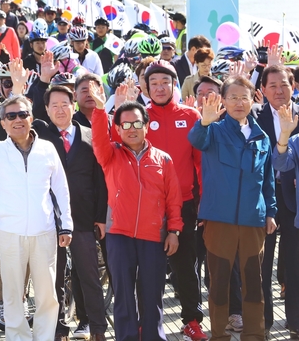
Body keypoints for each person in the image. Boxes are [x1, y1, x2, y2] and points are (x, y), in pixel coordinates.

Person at [0, 94, 73, 341]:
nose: (18, 120)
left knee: (47, 293)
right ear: (3, 123)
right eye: (11, 116)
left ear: (32, 117)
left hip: (45, 231)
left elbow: (61, 188)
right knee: (13, 293)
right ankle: (18, 338)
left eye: (23, 114)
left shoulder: (47, 148)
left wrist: (66, 226)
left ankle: (44, 337)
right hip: (10, 232)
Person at [90, 84, 183, 341]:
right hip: (119, 235)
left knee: (152, 295)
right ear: (118, 129)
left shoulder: (163, 159)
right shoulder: (111, 155)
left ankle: (154, 337)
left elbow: (173, 200)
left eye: (137, 124)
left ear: (146, 125)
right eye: (126, 125)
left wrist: (174, 231)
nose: (131, 129)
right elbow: (98, 139)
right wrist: (100, 110)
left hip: (153, 236)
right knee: (123, 296)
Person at [188, 75, 277, 341]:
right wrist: (204, 120)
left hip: (253, 220)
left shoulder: (262, 138)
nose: (239, 102)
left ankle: (254, 335)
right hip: (219, 219)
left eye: (244, 97)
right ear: (223, 100)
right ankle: (219, 336)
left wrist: (270, 211)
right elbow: (195, 138)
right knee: (219, 284)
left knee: (253, 283)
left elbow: (268, 180)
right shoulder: (213, 130)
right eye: (233, 97)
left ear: (253, 100)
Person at [31, 85, 108, 341]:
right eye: (54, 105)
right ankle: (58, 329)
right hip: (49, 220)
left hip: (84, 219)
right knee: (53, 279)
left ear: (73, 105)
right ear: (46, 110)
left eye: (65, 104)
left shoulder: (89, 135)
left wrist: (100, 216)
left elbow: (100, 179)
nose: (60, 109)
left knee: (90, 277)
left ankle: (98, 328)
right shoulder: (39, 138)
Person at [139, 60, 206, 340]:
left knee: (186, 266)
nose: (159, 87)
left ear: (174, 84)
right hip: (148, 206)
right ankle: (147, 322)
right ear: (146, 87)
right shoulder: (139, 115)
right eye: (153, 83)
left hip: (186, 203)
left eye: (165, 82)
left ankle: (191, 320)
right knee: (148, 268)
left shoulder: (191, 116)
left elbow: (200, 162)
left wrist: (204, 201)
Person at [253, 65, 299, 338]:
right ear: (263, 90)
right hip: (263, 198)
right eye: (273, 86)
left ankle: (294, 320)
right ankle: (264, 321)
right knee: (262, 260)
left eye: (284, 84)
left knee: (295, 261)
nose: (279, 90)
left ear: (292, 86)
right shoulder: (253, 116)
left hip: (294, 198)